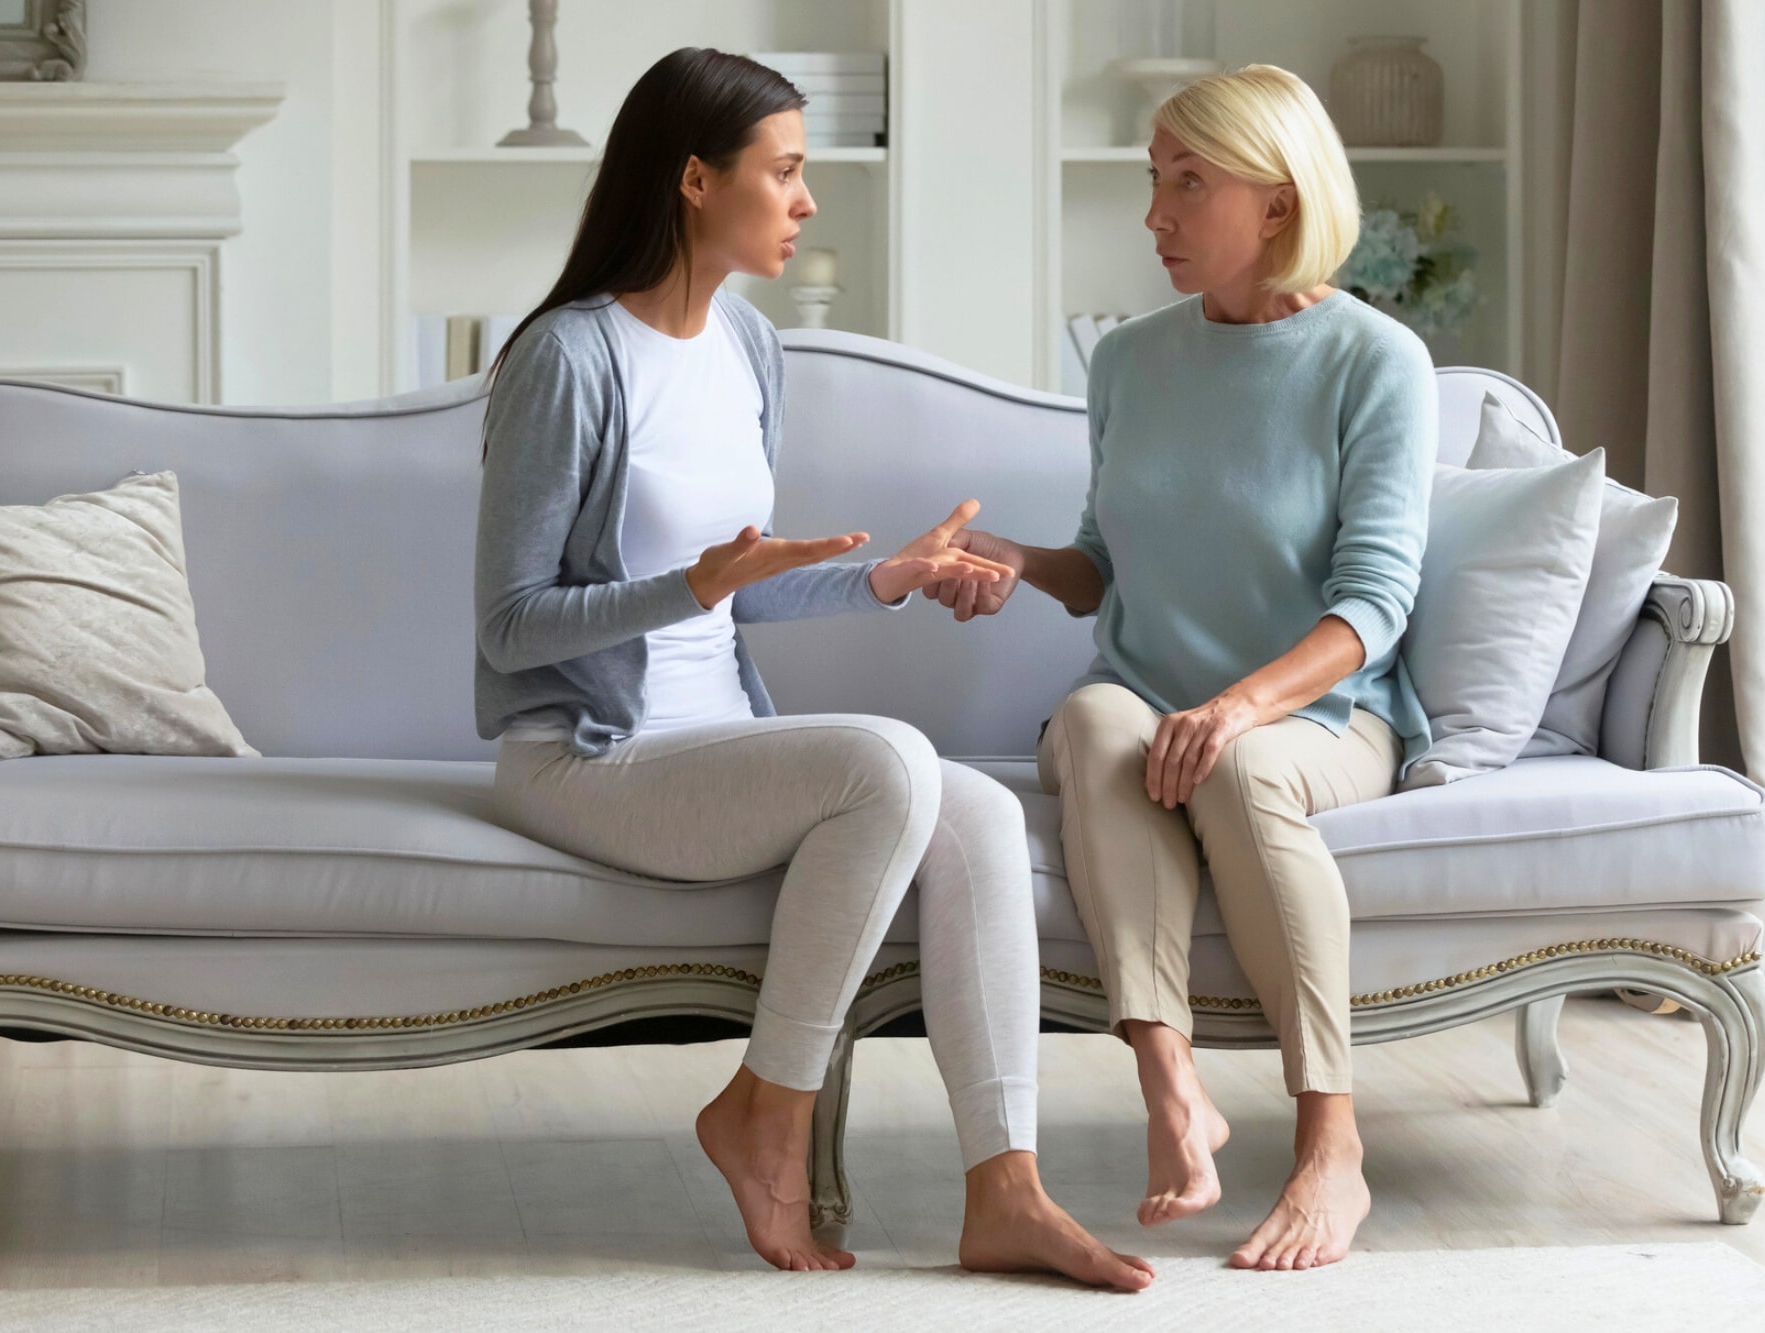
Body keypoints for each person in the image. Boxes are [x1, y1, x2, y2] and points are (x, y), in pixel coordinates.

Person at [475, 46, 1152, 1290]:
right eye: (783, 170)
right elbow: (510, 626)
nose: (805, 198)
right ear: (694, 179)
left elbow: (739, 585)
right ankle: (767, 1106)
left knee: (980, 814)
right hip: (585, 758)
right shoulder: (566, 360)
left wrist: (887, 577)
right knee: (888, 761)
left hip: (715, 739)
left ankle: (1006, 1187)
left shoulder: (746, 344)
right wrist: (691, 587)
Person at [926, 64, 1438, 1272]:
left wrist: (1236, 706)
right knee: (1093, 723)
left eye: (1189, 183)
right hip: (1149, 695)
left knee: (1235, 768)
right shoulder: (1128, 362)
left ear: (1278, 199)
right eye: (1152, 180)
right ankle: (1170, 1083)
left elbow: (1373, 604)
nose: (1154, 214)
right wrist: (1014, 561)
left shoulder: (1376, 361)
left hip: (1318, 712)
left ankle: (1331, 1143)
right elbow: (1103, 568)